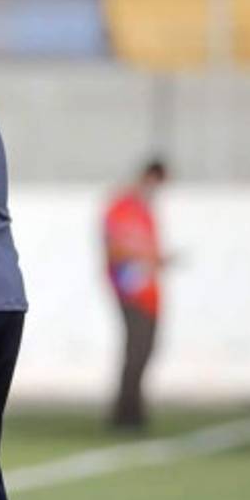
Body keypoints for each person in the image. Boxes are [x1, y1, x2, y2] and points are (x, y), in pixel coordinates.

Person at [102, 159, 167, 430]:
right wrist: (144, 257)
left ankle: (134, 408)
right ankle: (126, 413)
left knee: (145, 349)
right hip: (130, 290)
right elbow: (115, 249)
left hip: (148, 292)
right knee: (136, 350)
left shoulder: (145, 211)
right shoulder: (121, 207)